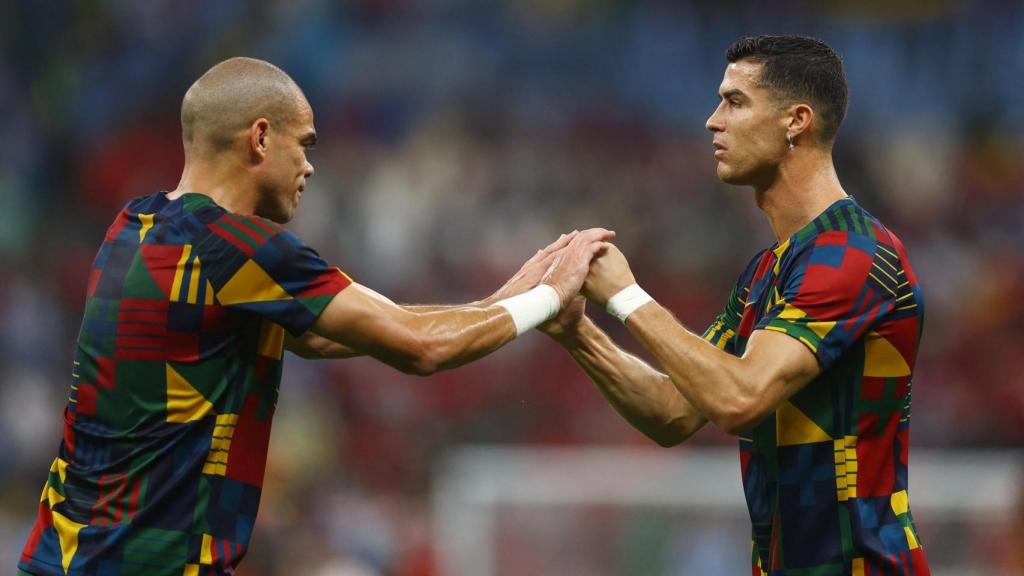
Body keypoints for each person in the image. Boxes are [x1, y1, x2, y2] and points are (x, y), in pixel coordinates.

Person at [17, 57, 612, 576]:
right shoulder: (238, 246)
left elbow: (332, 337)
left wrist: (495, 302)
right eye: (304, 144)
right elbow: (419, 347)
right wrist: (550, 297)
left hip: (61, 556)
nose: (309, 167)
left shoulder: (135, 226)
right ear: (259, 138)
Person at [541, 36, 930, 574]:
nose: (712, 121)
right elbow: (673, 412)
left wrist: (627, 297)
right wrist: (575, 331)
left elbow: (740, 398)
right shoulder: (768, 271)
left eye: (735, 102)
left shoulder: (852, 254)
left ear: (797, 120)